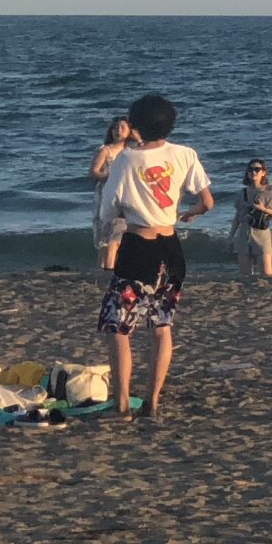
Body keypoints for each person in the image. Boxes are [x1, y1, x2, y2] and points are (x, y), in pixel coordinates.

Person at [94, 92, 214, 420]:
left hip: (139, 247)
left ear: (136, 126)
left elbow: (108, 211)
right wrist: (187, 214)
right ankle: (153, 400)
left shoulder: (126, 160)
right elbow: (207, 201)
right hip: (171, 247)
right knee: (162, 325)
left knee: (118, 326)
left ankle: (121, 404)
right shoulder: (185, 154)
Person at [88, 115, 133, 269]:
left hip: (125, 194)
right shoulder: (106, 150)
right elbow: (94, 171)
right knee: (109, 233)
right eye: (115, 128)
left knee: (118, 231)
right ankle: (107, 267)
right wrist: (110, 177)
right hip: (106, 193)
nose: (118, 131)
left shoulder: (131, 151)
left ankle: (104, 267)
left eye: (122, 128)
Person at [237, 160, 272, 282]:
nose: (253, 172)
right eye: (250, 169)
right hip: (244, 232)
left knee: (266, 274)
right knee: (244, 275)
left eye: (257, 169)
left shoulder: (270, 190)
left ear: (263, 172)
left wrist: (263, 209)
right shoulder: (243, 192)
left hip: (261, 233)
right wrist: (231, 235)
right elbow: (238, 216)